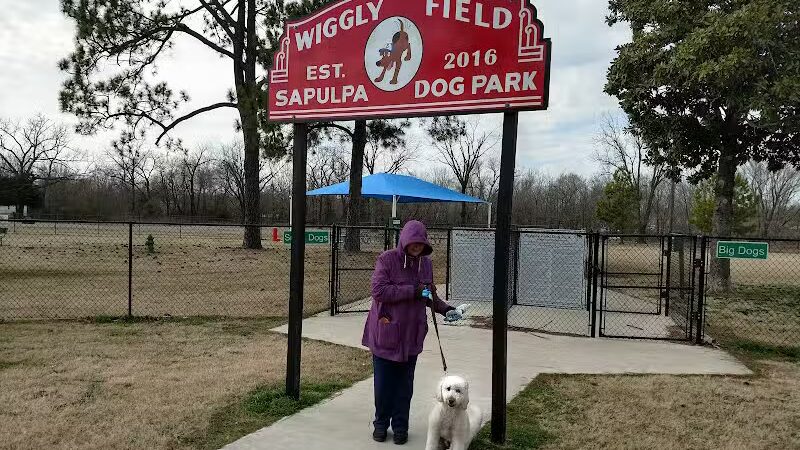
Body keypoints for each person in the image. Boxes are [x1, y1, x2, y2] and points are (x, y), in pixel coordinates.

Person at [361, 220, 463, 445]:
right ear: (404, 241)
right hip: (386, 334)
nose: (416, 247)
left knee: (404, 388)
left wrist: (446, 309)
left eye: (420, 244)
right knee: (384, 386)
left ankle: (400, 428)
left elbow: (428, 295)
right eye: (413, 243)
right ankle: (380, 424)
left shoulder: (425, 264)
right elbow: (379, 291)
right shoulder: (387, 259)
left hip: (411, 337)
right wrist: (412, 290)